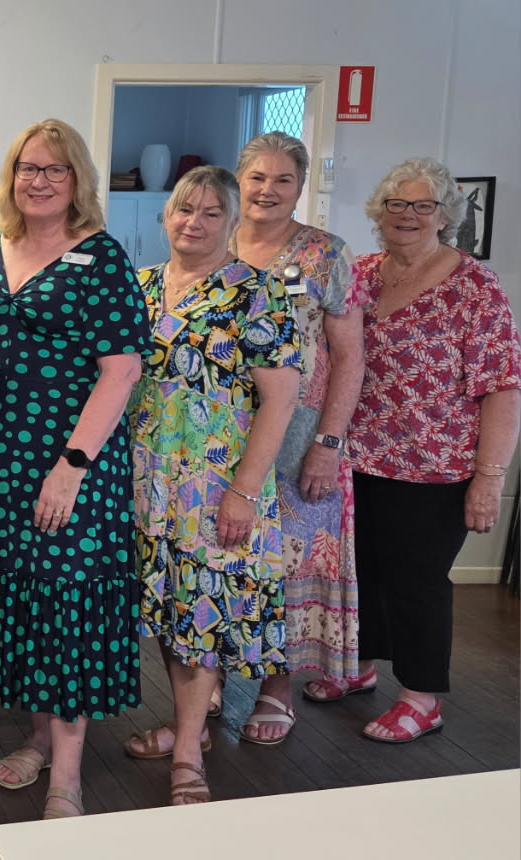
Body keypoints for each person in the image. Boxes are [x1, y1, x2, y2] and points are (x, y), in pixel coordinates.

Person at [0, 120, 146, 820]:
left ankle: (67, 773)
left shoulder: (100, 258)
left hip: (74, 460)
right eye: (27, 168)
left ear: (77, 182)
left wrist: (70, 466)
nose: (38, 181)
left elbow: (121, 371)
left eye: (55, 170)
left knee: (67, 605)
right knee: (23, 599)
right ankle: (36, 739)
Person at [126, 166, 300, 805]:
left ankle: (187, 756)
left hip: (216, 482)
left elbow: (281, 399)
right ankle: (189, 727)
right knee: (171, 609)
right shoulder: (141, 285)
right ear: (165, 215)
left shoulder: (257, 291)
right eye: (183, 209)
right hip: (147, 479)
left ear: (232, 223)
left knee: (202, 613)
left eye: (209, 213)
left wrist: (244, 491)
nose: (192, 223)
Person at [347, 157, 520, 743]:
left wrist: (489, 477)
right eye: (396, 203)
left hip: (436, 466)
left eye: (423, 205)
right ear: (380, 211)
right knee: (361, 569)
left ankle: (421, 699)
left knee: (417, 581)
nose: (408, 215)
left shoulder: (475, 286)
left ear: (445, 216)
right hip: (358, 455)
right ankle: (358, 667)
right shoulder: (362, 274)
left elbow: (502, 386)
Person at [228, 132, 365, 742]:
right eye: (257, 177)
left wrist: (328, 445)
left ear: (301, 186)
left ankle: (275, 689)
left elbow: (350, 357)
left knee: (286, 564)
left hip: (300, 437)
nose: (268, 190)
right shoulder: (215, 238)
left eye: (283, 179)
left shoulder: (325, 254)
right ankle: (208, 679)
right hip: (220, 432)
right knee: (224, 556)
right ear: (239, 180)